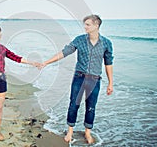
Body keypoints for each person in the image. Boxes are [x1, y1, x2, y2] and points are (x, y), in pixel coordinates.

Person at [39, 15, 114, 144]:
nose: (85, 27)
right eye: (85, 24)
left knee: (91, 107)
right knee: (74, 104)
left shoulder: (106, 43)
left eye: (88, 24)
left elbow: (108, 63)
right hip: (79, 78)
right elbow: (64, 52)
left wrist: (111, 83)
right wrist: (46, 62)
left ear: (96, 26)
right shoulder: (79, 40)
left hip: (95, 80)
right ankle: (70, 131)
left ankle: (87, 132)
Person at [0, 25, 36, 141]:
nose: (0, 34)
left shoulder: (2, 48)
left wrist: (31, 63)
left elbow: (15, 57)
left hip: (1, 80)